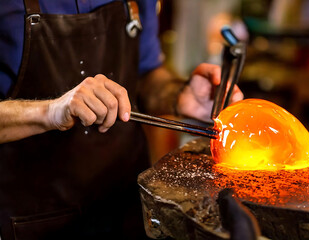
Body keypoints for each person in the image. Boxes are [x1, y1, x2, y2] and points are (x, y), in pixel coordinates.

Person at [0, 0, 243, 239]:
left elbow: (147, 74)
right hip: (30, 216)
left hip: (125, 203)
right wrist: (50, 111)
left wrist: (179, 96)